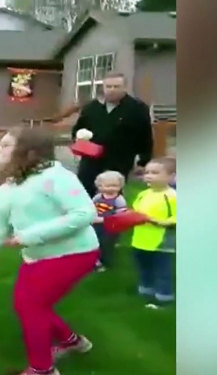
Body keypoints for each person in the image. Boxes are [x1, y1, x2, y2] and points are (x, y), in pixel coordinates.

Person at [0, 126, 99, 375]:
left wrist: (29, 236)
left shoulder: (56, 176)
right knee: (29, 305)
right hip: (37, 256)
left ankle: (43, 371)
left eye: (5, 145)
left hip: (75, 253)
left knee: (30, 306)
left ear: (28, 151)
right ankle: (72, 343)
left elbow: (85, 214)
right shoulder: (6, 189)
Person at [51, 72, 154, 198]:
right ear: (103, 87)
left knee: (112, 194)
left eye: (116, 86)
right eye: (108, 86)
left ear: (125, 88)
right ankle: (85, 215)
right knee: (84, 191)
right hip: (91, 159)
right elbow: (79, 128)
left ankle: (111, 215)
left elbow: (145, 135)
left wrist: (144, 160)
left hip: (120, 159)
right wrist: (78, 139)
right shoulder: (92, 107)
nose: (112, 90)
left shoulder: (137, 108)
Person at [131, 157, 177, 308]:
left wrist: (161, 221)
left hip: (161, 241)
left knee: (162, 270)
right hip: (141, 238)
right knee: (144, 266)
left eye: (155, 173)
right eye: (147, 172)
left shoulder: (172, 196)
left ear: (171, 176)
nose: (149, 176)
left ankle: (164, 298)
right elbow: (136, 210)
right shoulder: (143, 194)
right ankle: (146, 291)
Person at [91, 170, 128, 271]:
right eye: (108, 186)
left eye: (115, 186)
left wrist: (103, 219)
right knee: (95, 241)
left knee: (106, 244)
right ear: (100, 187)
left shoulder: (119, 200)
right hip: (96, 223)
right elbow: (92, 207)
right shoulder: (98, 197)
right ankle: (96, 259)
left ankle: (105, 262)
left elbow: (120, 215)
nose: (111, 188)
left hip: (110, 225)